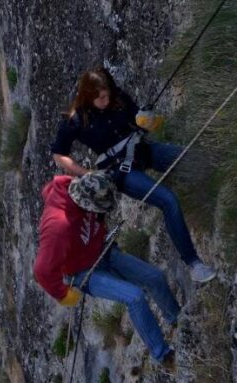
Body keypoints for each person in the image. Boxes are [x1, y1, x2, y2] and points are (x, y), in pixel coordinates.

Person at [51, 67, 216, 283]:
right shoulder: (76, 120)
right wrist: (87, 173)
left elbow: (140, 123)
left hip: (142, 151)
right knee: (168, 200)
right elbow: (59, 155)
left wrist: (148, 121)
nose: (106, 100)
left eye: (107, 94)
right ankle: (194, 264)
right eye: (100, 97)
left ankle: (215, 195)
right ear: (88, 96)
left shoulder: (118, 98)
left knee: (199, 161)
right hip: (120, 172)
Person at [33, 171, 178, 365]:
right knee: (134, 297)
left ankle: (176, 319)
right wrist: (64, 295)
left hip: (103, 250)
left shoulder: (82, 184)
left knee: (155, 277)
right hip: (84, 272)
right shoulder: (58, 227)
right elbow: (42, 272)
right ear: (84, 204)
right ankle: (164, 356)